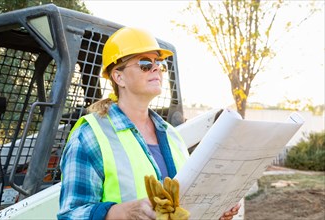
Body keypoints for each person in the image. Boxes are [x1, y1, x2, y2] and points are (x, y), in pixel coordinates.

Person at [57, 27, 240, 220]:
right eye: (145, 63)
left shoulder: (171, 135)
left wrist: (213, 212)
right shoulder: (90, 136)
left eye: (159, 63)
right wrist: (118, 213)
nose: (155, 68)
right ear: (119, 77)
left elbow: (182, 209)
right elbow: (70, 214)